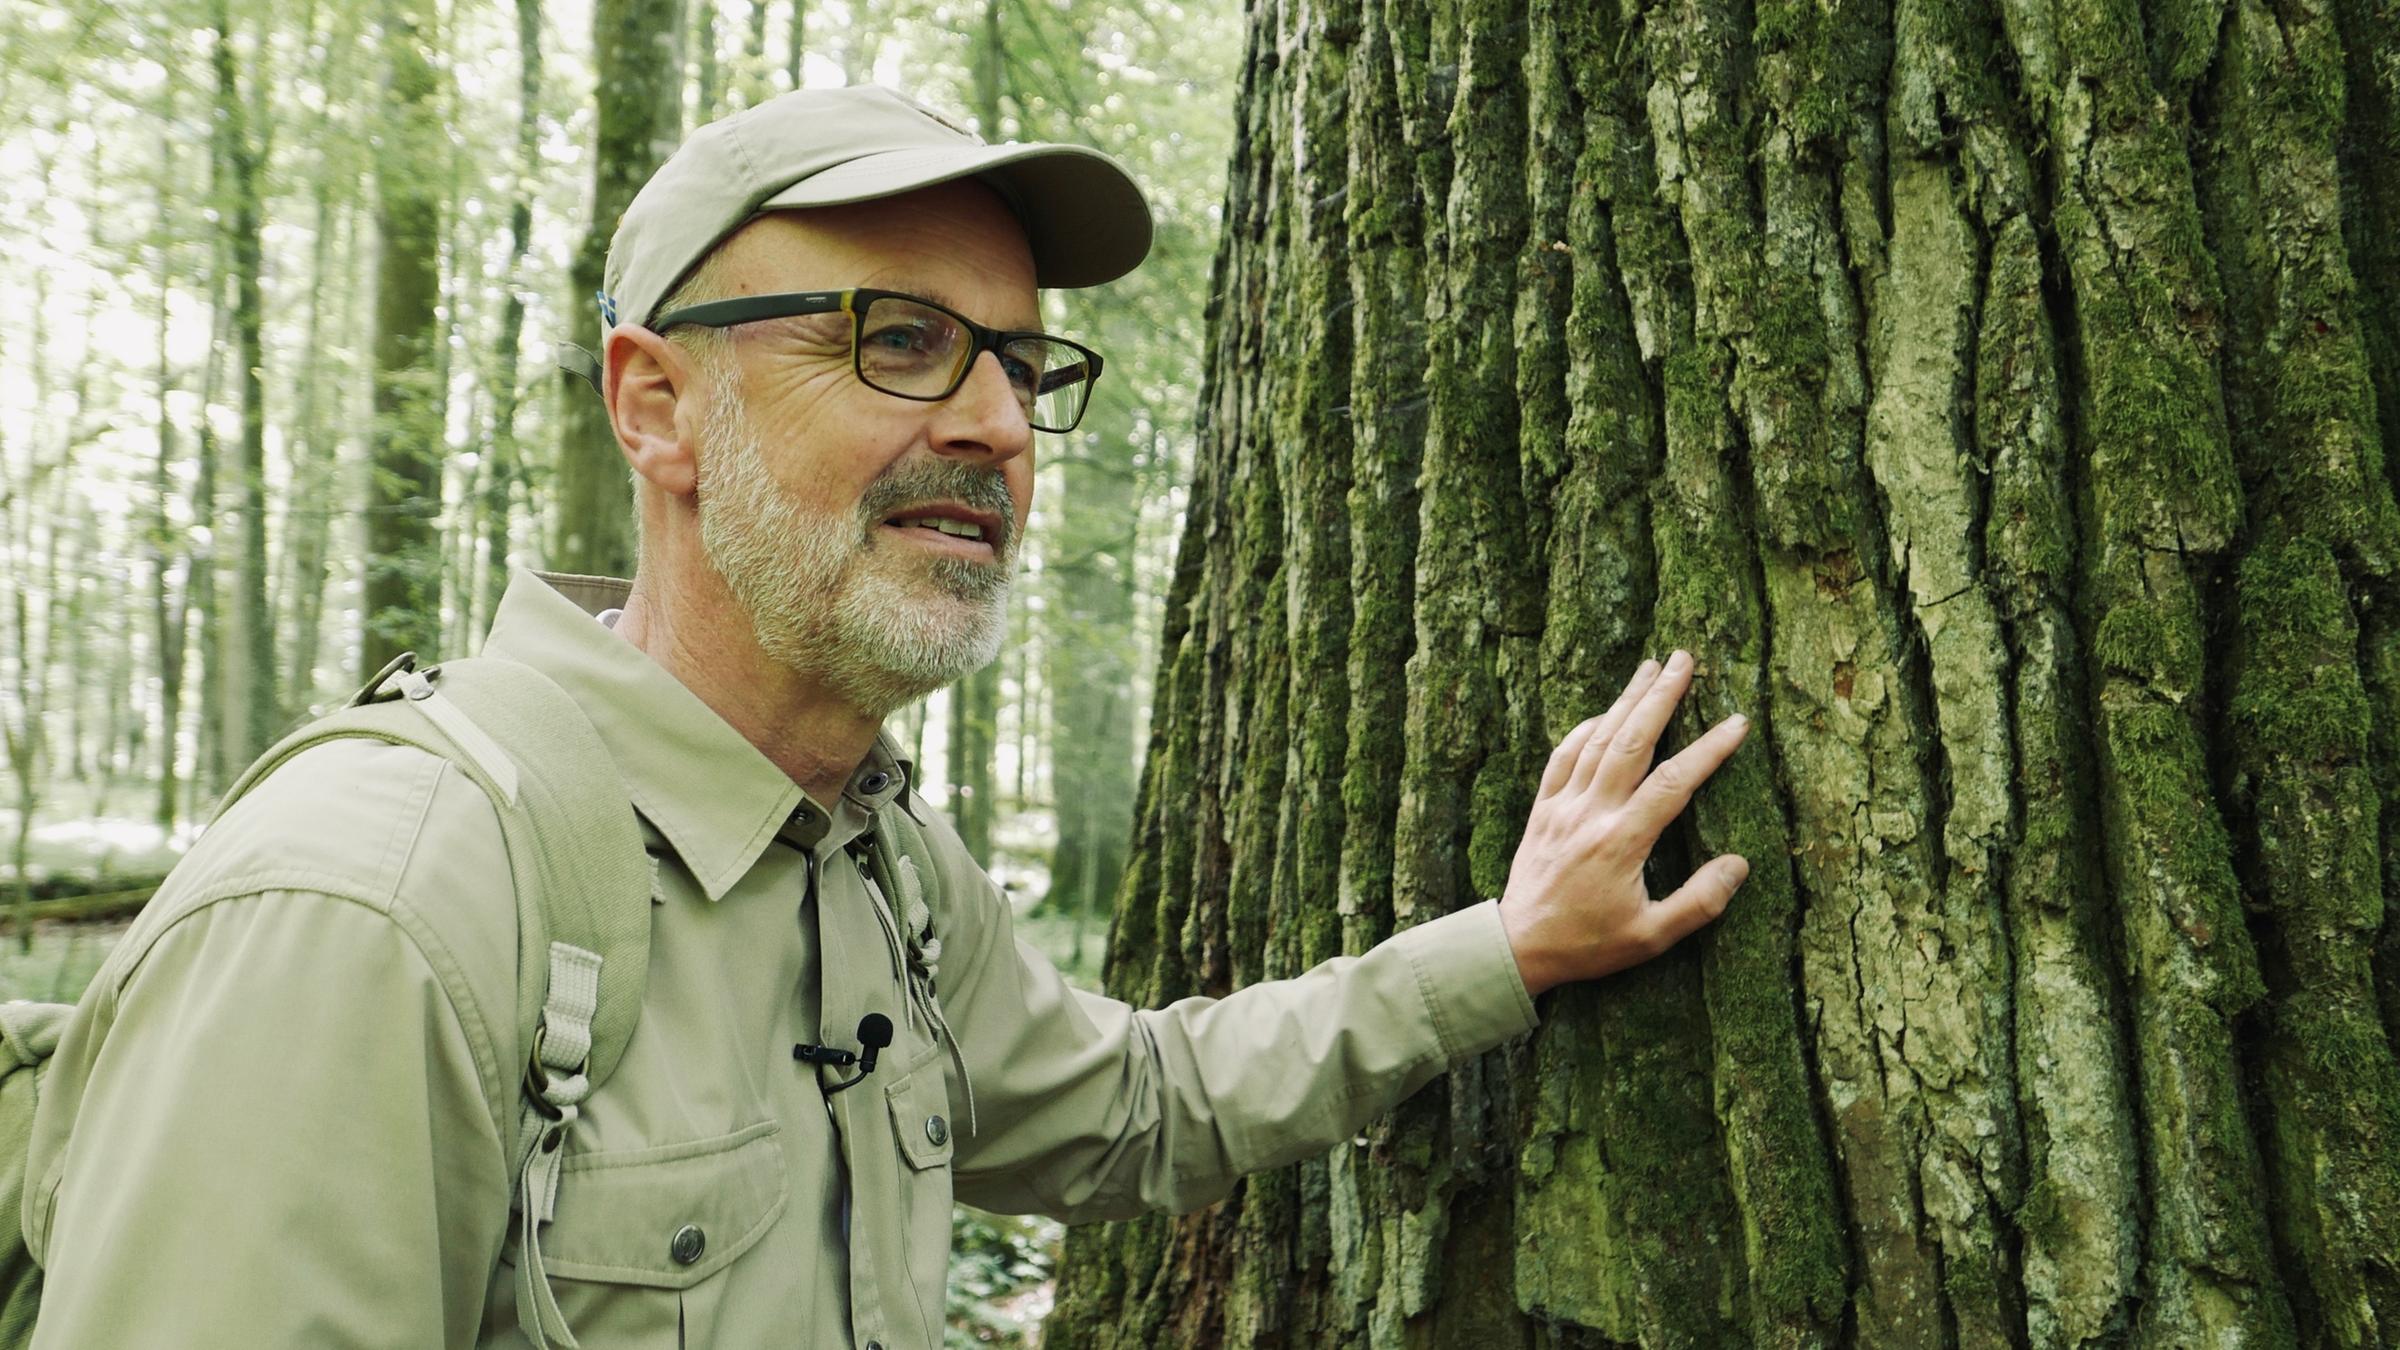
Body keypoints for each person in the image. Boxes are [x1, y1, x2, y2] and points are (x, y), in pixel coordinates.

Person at [21, 84, 1755, 1348]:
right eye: (901, 338)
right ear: (656, 406)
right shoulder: (381, 910)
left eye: (1021, 361)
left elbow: (1137, 1105)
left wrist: (1509, 948)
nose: (999, 421)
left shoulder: (877, 867)